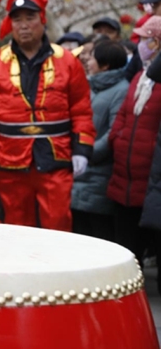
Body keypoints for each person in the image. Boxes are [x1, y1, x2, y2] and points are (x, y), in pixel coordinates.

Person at [0, 0, 95, 231]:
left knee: (58, 225)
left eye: (30, 17)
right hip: (10, 160)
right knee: (16, 229)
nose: (24, 25)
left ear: (43, 20)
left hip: (55, 158)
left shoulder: (68, 61)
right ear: (10, 24)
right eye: (17, 20)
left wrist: (82, 150)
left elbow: (81, 111)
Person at [108, 16, 161, 264]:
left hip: (149, 177)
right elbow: (123, 115)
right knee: (125, 249)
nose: (140, 44)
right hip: (124, 175)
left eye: (145, 39)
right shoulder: (139, 77)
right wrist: (116, 139)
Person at [70, 40, 128, 241]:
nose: (87, 61)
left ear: (105, 64)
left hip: (99, 175)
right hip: (79, 175)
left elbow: (114, 132)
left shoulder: (121, 91)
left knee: (98, 238)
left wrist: (86, 153)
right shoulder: (90, 86)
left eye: (92, 57)